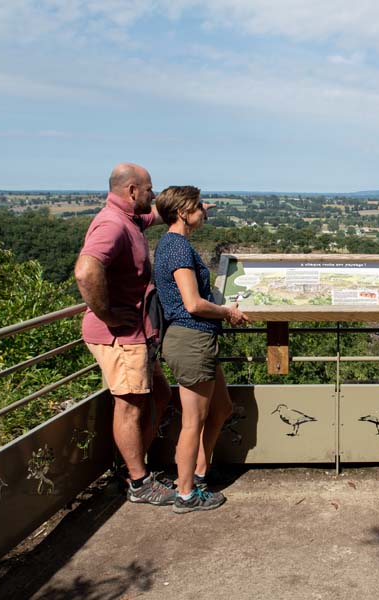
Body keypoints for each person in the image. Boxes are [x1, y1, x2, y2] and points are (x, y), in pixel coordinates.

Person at [75, 163, 175, 505]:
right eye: (149, 189)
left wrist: (192, 208)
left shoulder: (130, 219)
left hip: (137, 333)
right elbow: (86, 271)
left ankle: (132, 466)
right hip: (121, 336)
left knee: (159, 395)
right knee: (130, 405)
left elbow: (155, 216)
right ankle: (138, 482)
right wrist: (108, 315)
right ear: (132, 190)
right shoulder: (112, 224)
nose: (153, 194)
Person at [153, 185, 249, 514]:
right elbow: (192, 303)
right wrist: (229, 312)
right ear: (182, 213)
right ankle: (185, 494)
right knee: (193, 420)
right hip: (191, 338)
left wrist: (200, 208)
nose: (203, 213)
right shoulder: (178, 249)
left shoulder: (170, 242)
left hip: (197, 340)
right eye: (198, 208)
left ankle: (198, 472)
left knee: (220, 408)